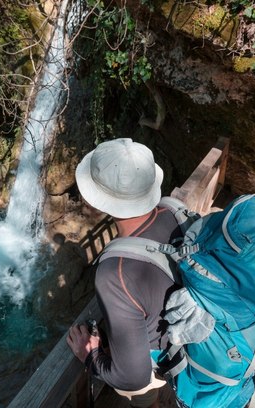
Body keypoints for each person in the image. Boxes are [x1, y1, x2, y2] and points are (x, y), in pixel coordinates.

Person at [67, 138, 181, 408]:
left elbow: (132, 378)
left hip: (163, 356)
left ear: (99, 200)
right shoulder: (175, 211)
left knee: (143, 400)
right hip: (192, 334)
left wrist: (91, 355)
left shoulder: (114, 273)